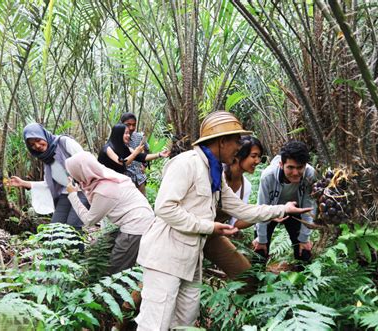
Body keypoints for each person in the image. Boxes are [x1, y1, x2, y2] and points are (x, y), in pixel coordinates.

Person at [135, 112, 313, 330]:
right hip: (166, 257)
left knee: (185, 323)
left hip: (191, 260)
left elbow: (241, 209)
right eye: (237, 141)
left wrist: (282, 208)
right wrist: (209, 227)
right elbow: (164, 207)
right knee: (155, 323)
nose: (240, 146)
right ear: (222, 141)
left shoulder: (214, 171)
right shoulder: (186, 164)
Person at [65, 151, 154, 274]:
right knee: (95, 249)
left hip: (136, 227)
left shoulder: (104, 190)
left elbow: (89, 221)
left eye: (74, 173)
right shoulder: (104, 175)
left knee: (114, 271)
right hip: (137, 221)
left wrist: (73, 195)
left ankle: (110, 290)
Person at [203, 135, 264, 279]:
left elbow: (235, 223)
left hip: (213, 237)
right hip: (194, 231)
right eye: (253, 156)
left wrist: (262, 216)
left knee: (247, 277)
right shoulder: (217, 175)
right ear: (238, 156)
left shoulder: (246, 186)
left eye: (259, 157)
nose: (257, 161)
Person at [8, 123, 89, 230]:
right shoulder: (47, 158)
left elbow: (86, 162)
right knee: (55, 230)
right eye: (32, 144)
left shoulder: (64, 142)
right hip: (66, 194)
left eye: (38, 140)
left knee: (73, 228)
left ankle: (78, 247)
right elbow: (48, 184)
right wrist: (22, 183)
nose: (37, 146)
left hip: (83, 191)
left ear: (43, 135)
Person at [253, 140, 316, 264]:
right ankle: (256, 281)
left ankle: (302, 280)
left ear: (305, 165)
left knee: (303, 251)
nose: (295, 173)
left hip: (297, 210)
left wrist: (304, 238)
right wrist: (261, 239)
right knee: (260, 250)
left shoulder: (310, 174)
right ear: (281, 165)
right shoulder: (268, 176)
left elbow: (309, 206)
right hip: (271, 211)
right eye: (290, 167)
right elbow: (261, 207)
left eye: (300, 168)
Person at [97, 123, 170, 177]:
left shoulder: (124, 147)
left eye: (128, 133)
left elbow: (142, 157)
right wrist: (135, 152)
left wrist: (159, 154)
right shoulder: (108, 149)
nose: (128, 135)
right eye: (126, 133)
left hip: (116, 181)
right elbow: (123, 163)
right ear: (118, 134)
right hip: (104, 181)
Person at [120, 113, 149, 195]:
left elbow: (147, 149)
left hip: (139, 179)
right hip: (124, 181)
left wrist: (144, 165)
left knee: (143, 205)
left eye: (134, 125)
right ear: (121, 124)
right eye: (128, 125)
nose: (131, 128)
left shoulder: (139, 137)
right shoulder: (116, 140)